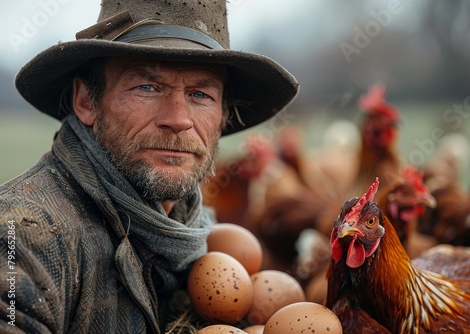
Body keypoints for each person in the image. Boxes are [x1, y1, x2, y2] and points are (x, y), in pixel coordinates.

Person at [0, 0, 298, 333]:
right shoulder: (21, 239)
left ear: (223, 116)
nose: (178, 120)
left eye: (200, 94)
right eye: (147, 87)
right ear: (86, 101)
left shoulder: (196, 231)